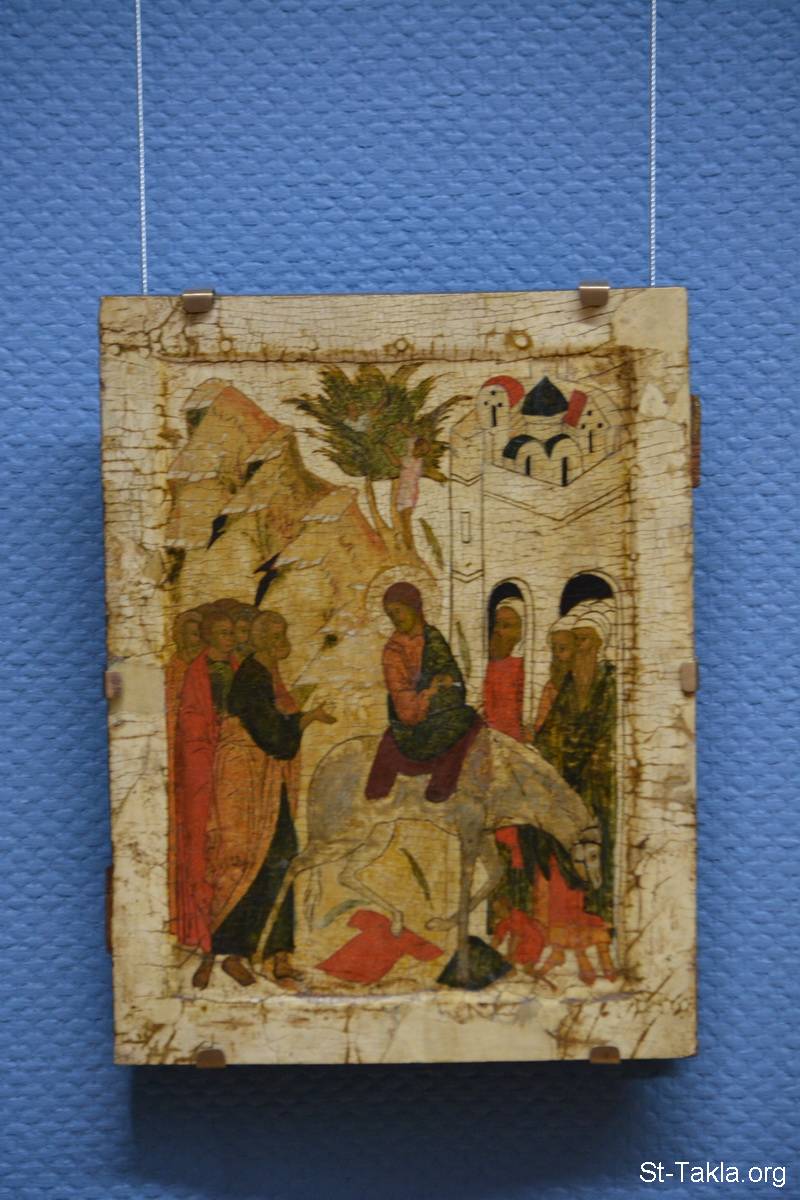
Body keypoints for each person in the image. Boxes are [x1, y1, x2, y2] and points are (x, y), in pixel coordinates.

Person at [199, 610, 335, 989]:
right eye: (275, 636)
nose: (281, 642)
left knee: (281, 855)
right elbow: (272, 736)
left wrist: (298, 715)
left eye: (283, 634)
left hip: (265, 779)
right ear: (260, 640)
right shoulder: (253, 675)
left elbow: (275, 727)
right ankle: (234, 952)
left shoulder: (266, 673)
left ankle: (276, 953)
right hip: (246, 780)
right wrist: (306, 718)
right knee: (248, 858)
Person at [536, 603, 618, 936]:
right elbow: (553, 729)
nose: (579, 647)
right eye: (577, 640)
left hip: (598, 781)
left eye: (584, 640)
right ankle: (565, 913)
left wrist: (583, 765)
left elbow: (608, 734)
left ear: (600, 643)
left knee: (599, 837)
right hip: (569, 778)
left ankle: (601, 911)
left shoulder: (610, 682)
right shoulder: (572, 684)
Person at [365, 582, 481, 803]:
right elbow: (404, 704)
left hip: (441, 710)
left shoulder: (433, 637)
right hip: (411, 724)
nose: (395, 618)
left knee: (469, 719)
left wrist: (449, 682)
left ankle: (444, 786)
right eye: (390, 614)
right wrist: (431, 692)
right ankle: (439, 787)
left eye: (398, 611)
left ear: (414, 606)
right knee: (463, 721)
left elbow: (456, 681)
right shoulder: (393, 651)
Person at [172, 611, 238, 974]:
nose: (231, 638)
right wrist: (218, 730)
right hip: (204, 771)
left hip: (236, 770)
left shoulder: (238, 667)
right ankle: (205, 940)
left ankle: (231, 946)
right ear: (211, 635)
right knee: (204, 850)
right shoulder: (196, 674)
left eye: (233, 632)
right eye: (224, 632)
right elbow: (190, 724)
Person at [166, 608, 204, 935]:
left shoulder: (205, 670)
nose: (198, 641)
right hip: (182, 769)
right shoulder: (177, 671)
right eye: (193, 635)